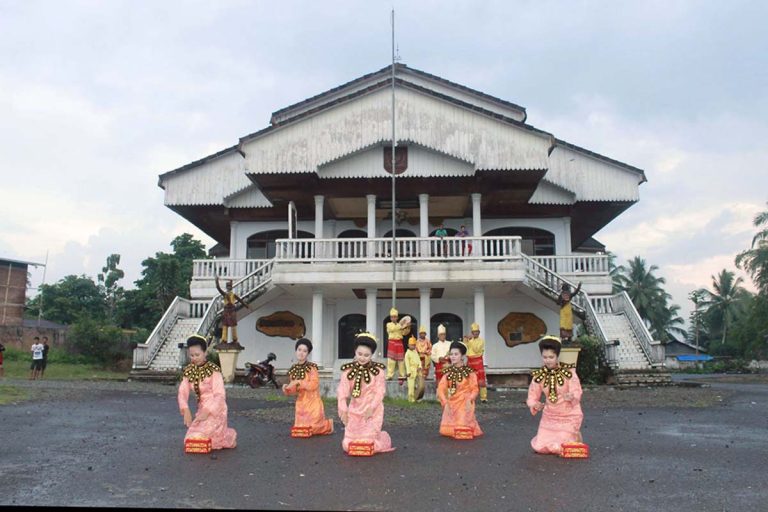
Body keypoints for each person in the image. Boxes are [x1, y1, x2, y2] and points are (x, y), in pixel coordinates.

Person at [337, 332, 394, 455]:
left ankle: (380, 438)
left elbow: (380, 391)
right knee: (348, 445)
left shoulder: (378, 371)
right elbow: (342, 390)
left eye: (366, 355)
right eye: (360, 354)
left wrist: (372, 407)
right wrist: (343, 408)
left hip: (372, 411)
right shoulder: (348, 371)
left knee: (368, 444)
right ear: (355, 352)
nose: (362, 358)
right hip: (354, 410)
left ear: (372, 355)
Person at [177, 334, 237, 450]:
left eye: (197, 355)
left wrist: (208, 411)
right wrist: (185, 409)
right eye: (192, 355)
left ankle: (226, 436)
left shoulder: (214, 371)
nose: (194, 358)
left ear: (205, 353)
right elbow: (182, 392)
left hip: (216, 409)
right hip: (201, 410)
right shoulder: (189, 371)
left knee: (204, 438)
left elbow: (220, 396)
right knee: (191, 438)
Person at [527, 336, 584, 455]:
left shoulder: (569, 372)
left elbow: (577, 390)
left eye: (551, 357)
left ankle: (574, 433)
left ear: (557, 356)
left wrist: (572, 396)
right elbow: (532, 395)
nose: (548, 360)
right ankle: (572, 436)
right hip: (550, 415)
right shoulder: (539, 376)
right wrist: (534, 404)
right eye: (545, 357)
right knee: (540, 447)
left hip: (569, 413)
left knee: (560, 447)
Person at [282, 338, 333, 436]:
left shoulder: (312, 367)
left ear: (308, 353)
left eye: (304, 351)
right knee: (301, 430)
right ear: (296, 351)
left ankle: (327, 425)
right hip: (301, 404)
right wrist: (287, 389)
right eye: (299, 350)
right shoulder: (293, 369)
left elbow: (314, 385)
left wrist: (299, 382)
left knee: (313, 428)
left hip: (313, 402)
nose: (301, 353)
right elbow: (295, 389)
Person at [437, 341, 483, 439]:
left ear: (462, 356)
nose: (453, 357)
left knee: (463, 432)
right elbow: (441, 388)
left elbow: (475, 389)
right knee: (447, 431)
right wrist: (445, 402)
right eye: (451, 354)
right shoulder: (448, 373)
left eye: (456, 354)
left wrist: (470, 399)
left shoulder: (469, 373)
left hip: (464, 402)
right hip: (452, 402)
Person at [214, 274, 252, 346]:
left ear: (231, 288)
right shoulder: (225, 294)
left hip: (232, 311)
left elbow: (241, 301)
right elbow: (218, 288)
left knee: (233, 325)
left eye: (230, 287)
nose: (228, 288)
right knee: (225, 325)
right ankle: (224, 340)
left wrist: (247, 306)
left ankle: (235, 339)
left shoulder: (233, 295)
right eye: (228, 287)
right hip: (226, 311)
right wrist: (217, 281)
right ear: (227, 288)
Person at [463, 323, 488, 403]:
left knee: (481, 379)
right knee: (469, 379)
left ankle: (483, 397)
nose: (475, 333)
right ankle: (469, 396)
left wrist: (470, 341)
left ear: (479, 332)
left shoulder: (481, 341)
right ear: (472, 332)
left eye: (477, 331)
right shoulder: (470, 340)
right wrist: (465, 340)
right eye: (474, 332)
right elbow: (465, 348)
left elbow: (476, 349)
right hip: (470, 361)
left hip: (478, 361)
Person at [385, 307, 410, 383]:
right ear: (390, 318)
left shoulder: (400, 325)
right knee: (391, 360)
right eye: (392, 317)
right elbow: (393, 329)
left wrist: (407, 327)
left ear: (397, 317)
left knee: (401, 360)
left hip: (399, 343)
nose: (393, 318)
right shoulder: (389, 324)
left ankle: (402, 375)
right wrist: (402, 325)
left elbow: (404, 333)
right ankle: (389, 375)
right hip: (392, 342)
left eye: (395, 317)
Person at [404, 336, 422, 403]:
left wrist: (420, 366)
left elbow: (419, 360)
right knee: (411, 386)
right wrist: (408, 372)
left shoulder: (415, 352)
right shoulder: (407, 354)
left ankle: (417, 398)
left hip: (417, 370)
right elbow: (407, 364)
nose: (413, 346)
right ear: (408, 345)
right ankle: (410, 399)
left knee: (418, 385)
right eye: (411, 345)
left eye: (414, 345)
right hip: (411, 371)